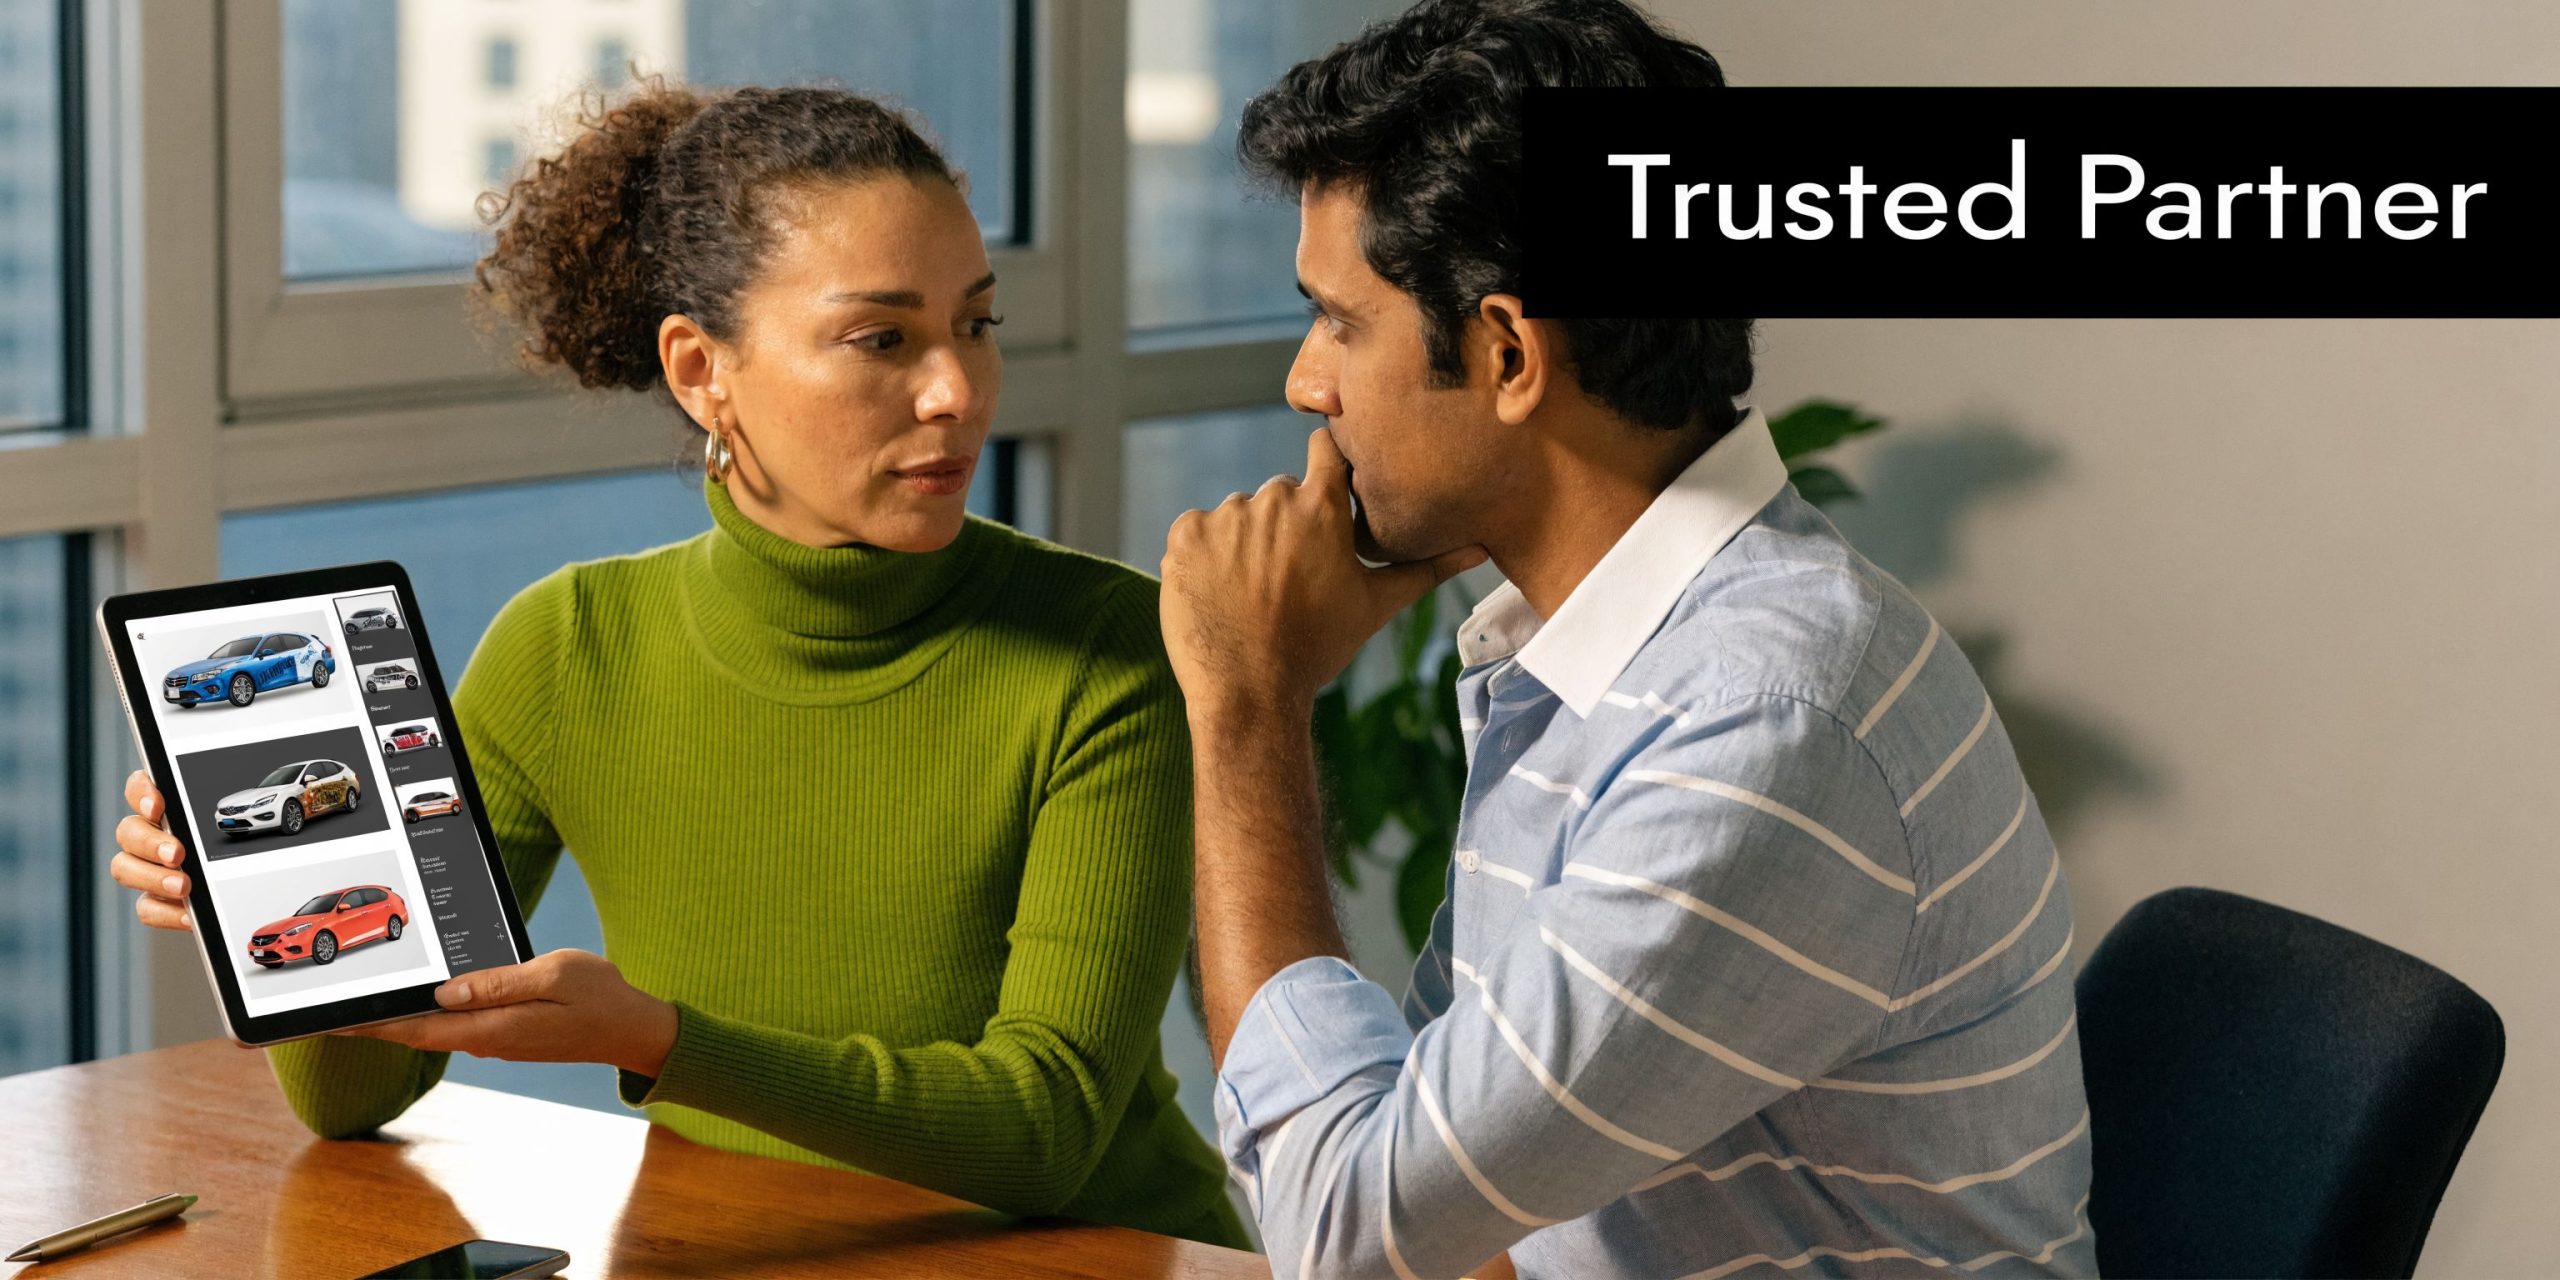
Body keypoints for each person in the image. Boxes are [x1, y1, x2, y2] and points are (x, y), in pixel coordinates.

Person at [110, 81, 1246, 1248]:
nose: (957, 389)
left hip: (1104, 1260)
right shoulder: (568, 645)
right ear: (702, 370)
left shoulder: (1108, 647)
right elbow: (349, 1098)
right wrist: (267, 897)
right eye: (882, 338)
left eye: (977, 323)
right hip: (735, 1247)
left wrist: (653, 1038)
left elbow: (1045, 1127)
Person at [1156, 1, 2096, 1275]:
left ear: (1507, 353)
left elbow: (1346, 1226)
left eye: (1339, 320)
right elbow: (1446, 1180)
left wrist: (1248, 700)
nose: (1305, 383)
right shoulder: (1609, 654)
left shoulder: (1764, 724)